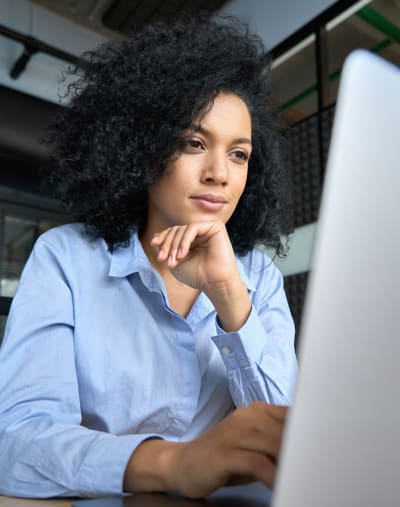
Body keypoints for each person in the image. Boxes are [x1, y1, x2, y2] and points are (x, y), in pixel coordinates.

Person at [0, 15, 297, 499]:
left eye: (239, 154)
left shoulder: (257, 276)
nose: (220, 173)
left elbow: (285, 444)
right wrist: (174, 463)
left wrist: (227, 293)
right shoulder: (67, 259)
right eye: (193, 143)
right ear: (141, 150)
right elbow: (16, 442)